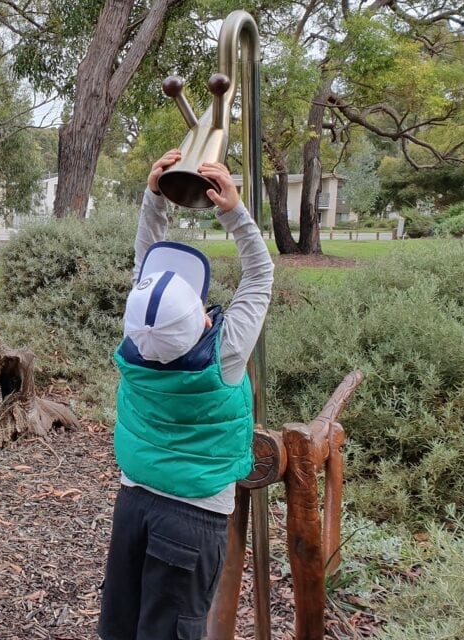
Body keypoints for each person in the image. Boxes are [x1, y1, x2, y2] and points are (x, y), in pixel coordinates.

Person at [98, 149, 275, 640]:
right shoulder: (226, 353)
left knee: (121, 623)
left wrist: (153, 199)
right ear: (200, 317)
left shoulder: (135, 344)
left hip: (134, 502)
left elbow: (143, 271)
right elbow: (260, 276)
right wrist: (234, 212)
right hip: (194, 517)